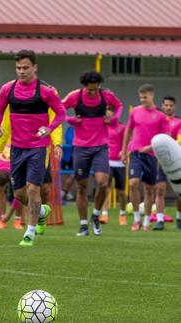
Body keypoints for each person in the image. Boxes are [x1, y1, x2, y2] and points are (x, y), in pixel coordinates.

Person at [0, 49, 65, 246]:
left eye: (25, 67)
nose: (21, 71)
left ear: (35, 67)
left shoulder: (46, 91)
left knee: (33, 189)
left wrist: (49, 129)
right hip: (17, 148)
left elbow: (61, 113)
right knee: (19, 194)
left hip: (38, 148)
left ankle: (29, 233)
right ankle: (42, 211)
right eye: (18, 68)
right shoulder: (7, 89)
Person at [62, 71, 123, 236]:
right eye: (90, 90)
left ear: (99, 87)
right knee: (82, 187)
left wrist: (115, 119)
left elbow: (119, 106)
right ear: (84, 87)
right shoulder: (75, 96)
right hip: (81, 148)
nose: (93, 92)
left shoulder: (106, 96)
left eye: (95, 90)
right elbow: (59, 108)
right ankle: (83, 225)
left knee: (102, 183)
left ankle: (95, 215)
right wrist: (70, 120)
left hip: (101, 147)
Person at [121, 84, 169, 232]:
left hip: (152, 156)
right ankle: (136, 219)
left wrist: (150, 147)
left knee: (149, 189)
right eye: (140, 97)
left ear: (151, 96)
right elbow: (128, 131)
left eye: (145, 97)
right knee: (134, 183)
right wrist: (124, 151)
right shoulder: (135, 112)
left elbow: (165, 137)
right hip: (136, 153)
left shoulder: (160, 116)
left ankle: (147, 221)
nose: (142, 99)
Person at [153, 96, 180, 230]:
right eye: (166, 105)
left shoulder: (179, 122)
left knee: (178, 193)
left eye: (171, 105)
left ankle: (179, 218)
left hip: (175, 161)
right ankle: (160, 220)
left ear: (174, 106)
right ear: (162, 106)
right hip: (160, 161)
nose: (168, 107)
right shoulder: (158, 122)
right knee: (160, 189)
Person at [100, 109, 128, 225]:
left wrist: (124, 152)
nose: (107, 118)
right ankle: (104, 214)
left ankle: (122, 213)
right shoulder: (102, 127)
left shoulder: (122, 127)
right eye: (106, 115)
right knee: (106, 189)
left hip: (120, 163)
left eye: (110, 115)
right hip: (107, 162)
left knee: (121, 192)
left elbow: (128, 143)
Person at [61, 126, 75, 201]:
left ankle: (64, 192)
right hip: (67, 155)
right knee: (65, 174)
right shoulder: (70, 128)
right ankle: (66, 192)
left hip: (77, 155)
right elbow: (70, 140)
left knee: (74, 174)